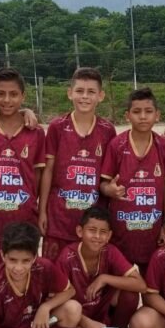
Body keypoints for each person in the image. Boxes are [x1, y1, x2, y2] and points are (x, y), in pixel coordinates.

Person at [100, 87, 165, 328]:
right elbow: (104, 184)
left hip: (152, 232)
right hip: (122, 233)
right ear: (127, 115)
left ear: (157, 115)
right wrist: (110, 190)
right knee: (126, 290)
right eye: (137, 111)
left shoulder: (163, 146)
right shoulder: (117, 145)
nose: (143, 116)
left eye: (148, 111)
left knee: (153, 287)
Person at [0, 68, 46, 281]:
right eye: (1, 94)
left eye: (13, 94)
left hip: (23, 218)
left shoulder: (35, 132)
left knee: (21, 278)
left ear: (23, 96)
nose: (6, 100)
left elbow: (37, 176)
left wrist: (34, 207)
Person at [38, 67, 116, 261]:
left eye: (91, 92)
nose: (85, 96)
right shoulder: (57, 127)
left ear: (101, 96)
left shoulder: (107, 130)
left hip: (92, 221)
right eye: (80, 91)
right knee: (53, 272)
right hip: (59, 217)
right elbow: (48, 171)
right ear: (70, 93)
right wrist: (42, 211)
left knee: (86, 273)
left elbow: (107, 176)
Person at [56, 207, 146, 328]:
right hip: (78, 315)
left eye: (103, 232)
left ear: (109, 235)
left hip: (101, 309)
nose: (97, 236)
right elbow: (56, 301)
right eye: (92, 230)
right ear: (80, 231)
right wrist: (87, 323)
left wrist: (104, 278)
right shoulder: (67, 257)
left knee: (130, 294)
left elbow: (141, 285)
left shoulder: (110, 251)